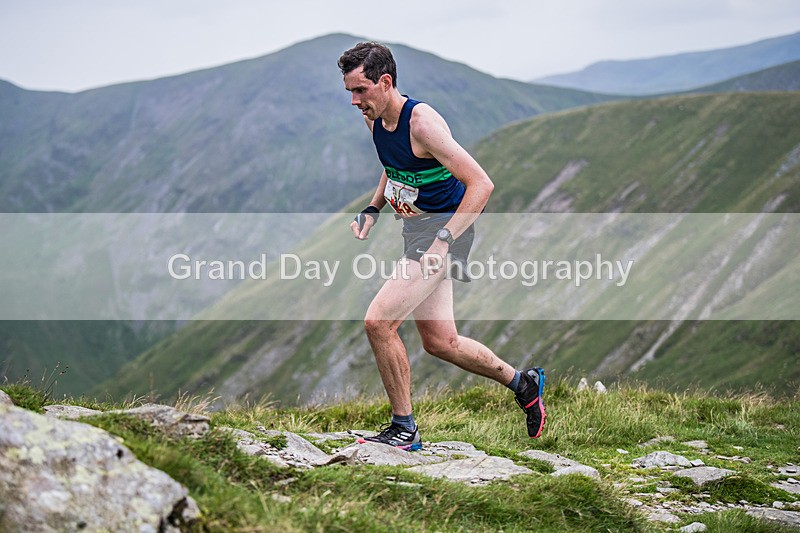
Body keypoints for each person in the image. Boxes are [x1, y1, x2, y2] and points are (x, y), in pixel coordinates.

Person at [338, 42, 545, 450]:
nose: (354, 101)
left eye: (360, 91)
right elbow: (392, 167)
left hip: (445, 232)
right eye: (349, 92)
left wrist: (443, 241)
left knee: (379, 322)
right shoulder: (375, 118)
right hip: (418, 232)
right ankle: (524, 384)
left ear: (385, 82)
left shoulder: (423, 124)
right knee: (440, 342)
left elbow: (482, 184)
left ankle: (404, 429)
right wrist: (373, 207)